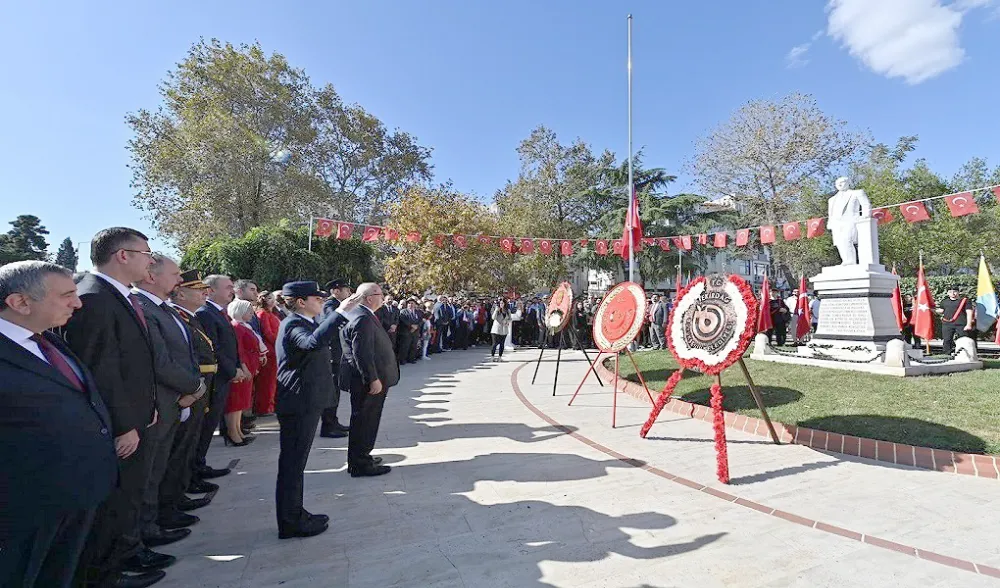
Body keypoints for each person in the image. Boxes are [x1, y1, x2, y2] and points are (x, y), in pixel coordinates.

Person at [0, 261, 117, 588]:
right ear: (20, 302)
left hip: (78, 492)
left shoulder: (48, 341)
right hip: (27, 510)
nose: (77, 303)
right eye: (66, 296)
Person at [63, 227, 167, 588]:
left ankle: (126, 553)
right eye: (146, 253)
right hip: (119, 426)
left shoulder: (117, 295)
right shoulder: (94, 298)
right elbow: (100, 369)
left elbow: (132, 364)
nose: (151, 261)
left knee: (130, 496)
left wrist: (148, 406)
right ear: (123, 255)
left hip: (137, 416)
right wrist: (123, 424)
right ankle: (105, 574)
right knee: (113, 502)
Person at [273, 282, 360, 539]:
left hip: (305, 402)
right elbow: (312, 343)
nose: (322, 301)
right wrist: (340, 312)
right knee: (292, 465)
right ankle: (290, 522)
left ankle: (295, 513)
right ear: (301, 302)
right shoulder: (293, 324)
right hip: (298, 403)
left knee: (296, 464)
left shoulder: (306, 321)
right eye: (317, 298)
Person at [131, 255, 206, 549]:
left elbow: (185, 351)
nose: (179, 280)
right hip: (162, 400)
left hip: (176, 399)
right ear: (152, 276)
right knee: (147, 473)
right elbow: (160, 361)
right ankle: (145, 531)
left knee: (161, 466)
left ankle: (160, 516)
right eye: (175, 274)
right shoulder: (142, 308)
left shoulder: (162, 308)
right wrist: (194, 386)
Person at [163, 271, 219, 516]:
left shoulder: (189, 317)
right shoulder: (176, 316)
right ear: (181, 293)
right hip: (190, 388)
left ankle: (181, 490)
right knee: (181, 446)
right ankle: (172, 499)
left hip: (201, 384)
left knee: (191, 442)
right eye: (198, 290)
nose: (204, 293)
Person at [342, 283, 399, 478]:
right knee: (365, 421)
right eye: (380, 294)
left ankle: (362, 457)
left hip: (370, 379)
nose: (383, 298)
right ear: (369, 298)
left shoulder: (364, 314)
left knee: (367, 420)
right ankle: (360, 464)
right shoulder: (361, 318)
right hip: (367, 382)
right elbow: (362, 352)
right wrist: (372, 378)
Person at [194, 275, 239, 479]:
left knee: (211, 422)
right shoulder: (205, 313)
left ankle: (200, 464)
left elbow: (230, 343)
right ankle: (196, 468)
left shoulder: (217, 312)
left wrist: (237, 365)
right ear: (211, 290)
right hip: (215, 377)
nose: (232, 291)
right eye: (228, 287)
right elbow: (214, 347)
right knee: (206, 424)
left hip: (222, 376)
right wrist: (232, 370)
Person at [224, 299, 261, 446]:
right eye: (248, 310)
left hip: (250, 365)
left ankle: (238, 430)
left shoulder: (244, 325)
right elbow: (239, 350)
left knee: (242, 401)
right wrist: (244, 367)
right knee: (236, 401)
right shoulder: (237, 327)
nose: (252, 313)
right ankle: (232, 432)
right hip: (244, 366)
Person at [319, 279, 352, 438]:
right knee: (331, 392)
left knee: (335, 392)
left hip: (338, 354)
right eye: (346, 290)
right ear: (336, 291)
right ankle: (328, 426)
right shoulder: (330, 305)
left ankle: (333, 421)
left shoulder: (338, 304)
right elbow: (334, 322)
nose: (349, 293)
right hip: (332, 356)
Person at [254, 291, 280, 416]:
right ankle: (264, 407)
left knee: (272, 381)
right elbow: (267, 333)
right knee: (266, 381)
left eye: (273, 298)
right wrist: (279, 342)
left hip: (274, 350)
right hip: (270, 351)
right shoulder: (262, 314)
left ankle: (270, 405)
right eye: (270, 298)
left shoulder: (271, 313)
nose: (273, 300)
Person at [937, 285, 974, 355]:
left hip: (961, 324)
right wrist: (930, 309)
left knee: (963, 339)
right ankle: (947, 353)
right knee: (947, 339)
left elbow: (969, 312)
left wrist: (969, 324)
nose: (953, 293)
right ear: (947, 293)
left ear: (958, 292)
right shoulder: (944, 301)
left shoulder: (965, 301)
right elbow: (941, 310)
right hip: (947, 323)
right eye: (950, 292)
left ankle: (964, 353)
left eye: (955, 291)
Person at [397, 298, 422, 364]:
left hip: (415, 332)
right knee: (405, 346)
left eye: (412, 303)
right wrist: (411, 326)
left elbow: (420, 321)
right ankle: (402, 359)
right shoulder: (403, 311)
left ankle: (411, 359)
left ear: (415, 304)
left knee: (413, 346)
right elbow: (403, 320)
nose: (410, 304)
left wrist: (416, 327)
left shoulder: (418, 312)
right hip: (406, 332)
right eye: (409, 303)